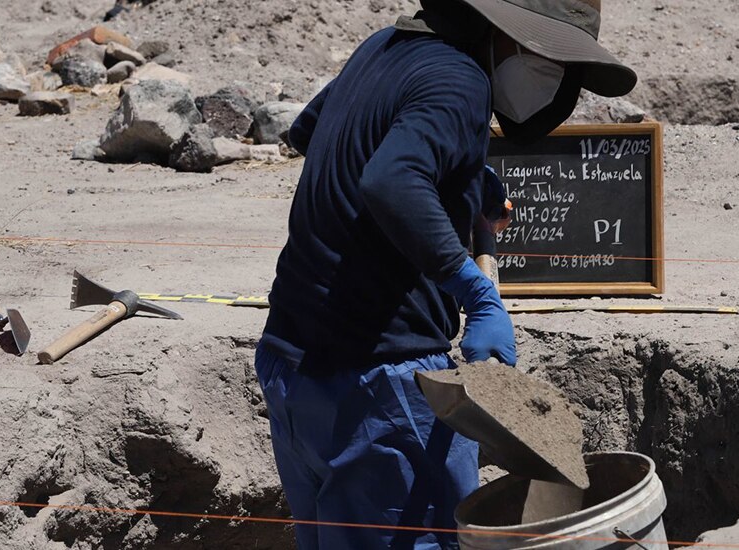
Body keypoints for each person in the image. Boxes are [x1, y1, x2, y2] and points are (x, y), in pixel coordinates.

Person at [255, 0, 636, 547]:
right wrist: (477, 293)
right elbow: (389, 182)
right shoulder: (461, 79)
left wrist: (456, 172)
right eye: (546, 53)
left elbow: (313, 132)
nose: (553, 76)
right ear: (501, 30)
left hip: (292, 365)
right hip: (380, 383)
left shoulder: (383, 47)